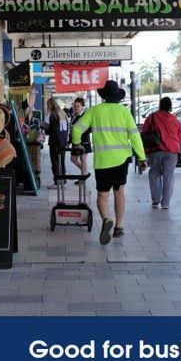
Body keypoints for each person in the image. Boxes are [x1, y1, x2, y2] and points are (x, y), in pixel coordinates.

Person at [71, 80, 146, 245]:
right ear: (118, 97)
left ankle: (106, 219)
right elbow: (134, 136)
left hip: (103, 161)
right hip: (121, 159)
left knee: (102, 195)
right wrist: (142, 157)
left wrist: (77, 144)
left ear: (104, 96)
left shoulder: (95, 111)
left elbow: (76, 129)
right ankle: (119, 227)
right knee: (119, 192)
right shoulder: (124, 112)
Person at [142, 96, 181, 209]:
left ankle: (155, 200)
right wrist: (176, 150)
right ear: (170, 107)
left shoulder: (152, 118)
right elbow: (180, 137)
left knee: (154, 173)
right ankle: (165, 203)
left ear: (160, 105)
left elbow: (145, 133)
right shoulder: (176, 120)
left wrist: (144, 152)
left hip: (155, 150)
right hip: (172, 152)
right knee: (168, 177)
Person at [44, 97, 69, 187]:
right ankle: (63, 181)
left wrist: (45, 128)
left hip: (55, 142)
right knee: (61, 162)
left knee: (55, 162)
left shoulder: (53, 115)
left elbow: (53, 130)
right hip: (63, 141)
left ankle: (57, 182)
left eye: (48, 105)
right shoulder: (63, 114)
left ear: (50, 105)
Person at [70, 97, 92, 181]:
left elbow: (90, 128)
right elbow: (71, 130)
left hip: (84, 141)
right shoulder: (74, 116)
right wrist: (69, 141)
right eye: (74, 106)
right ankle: (85, 172)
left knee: (83, 159)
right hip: (75, 141)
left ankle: (83, 178)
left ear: (82, 107)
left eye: (78, 106)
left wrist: (82, 133)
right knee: (73, 159)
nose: (75, 107)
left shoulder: (84, 116)